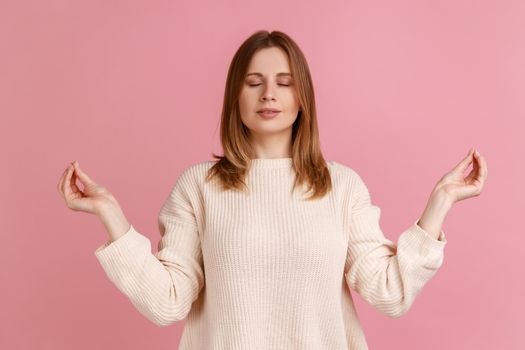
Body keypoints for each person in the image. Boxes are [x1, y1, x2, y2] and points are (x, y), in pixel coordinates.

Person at [57, 30, 488, 350]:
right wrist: (110, 214)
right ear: (236, 97)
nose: (269, 94)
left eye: (284, 82)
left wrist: (441, 202)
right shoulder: (199, 187)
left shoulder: (341, 186)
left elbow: (390, 293)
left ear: (303, 98)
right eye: (253, 82)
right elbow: (167, 303)